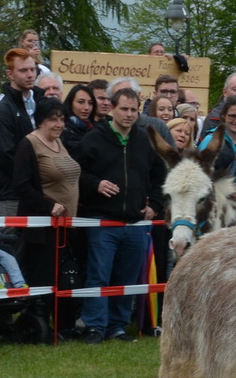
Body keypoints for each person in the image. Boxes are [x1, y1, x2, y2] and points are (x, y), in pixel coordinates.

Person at [74, 87, 166, 343]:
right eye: (124, 109)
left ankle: (117, 326)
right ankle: (94, 326)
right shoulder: (93, 139)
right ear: (111, 108)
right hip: (102, 221)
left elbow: (160, 177)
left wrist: (155, 205)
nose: (128, 114)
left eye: (134, 110)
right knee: (99, 275)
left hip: (136, 223)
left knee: (126, 278)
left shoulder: (145, 140)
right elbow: (76, 172)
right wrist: (96, 184)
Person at [10, 97, 83, 329]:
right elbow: (21, 185)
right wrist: (48, 206)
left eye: (62, 119)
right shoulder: (29, 144)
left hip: (66, 226)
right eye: (53, 120)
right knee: (42, 278)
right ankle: (38, 326)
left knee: (63, 277)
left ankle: (63, 325)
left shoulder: (60, 143)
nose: (59, 124)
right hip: (41, 228)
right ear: (40, 121)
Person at [0, 47, 40, 211]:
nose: (29, 74)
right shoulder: (1, 109)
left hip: (39, 192)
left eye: (32, 69)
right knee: (9, 236)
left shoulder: (40, 100)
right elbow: (4, 154)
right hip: (12, 193)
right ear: (10, 74)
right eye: (23, 70)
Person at [61, 83, 96, 155]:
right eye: (81, 102)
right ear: (70, 103)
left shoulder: (94, 129)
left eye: (90, 103)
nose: (87, 107)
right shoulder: (62, 129)